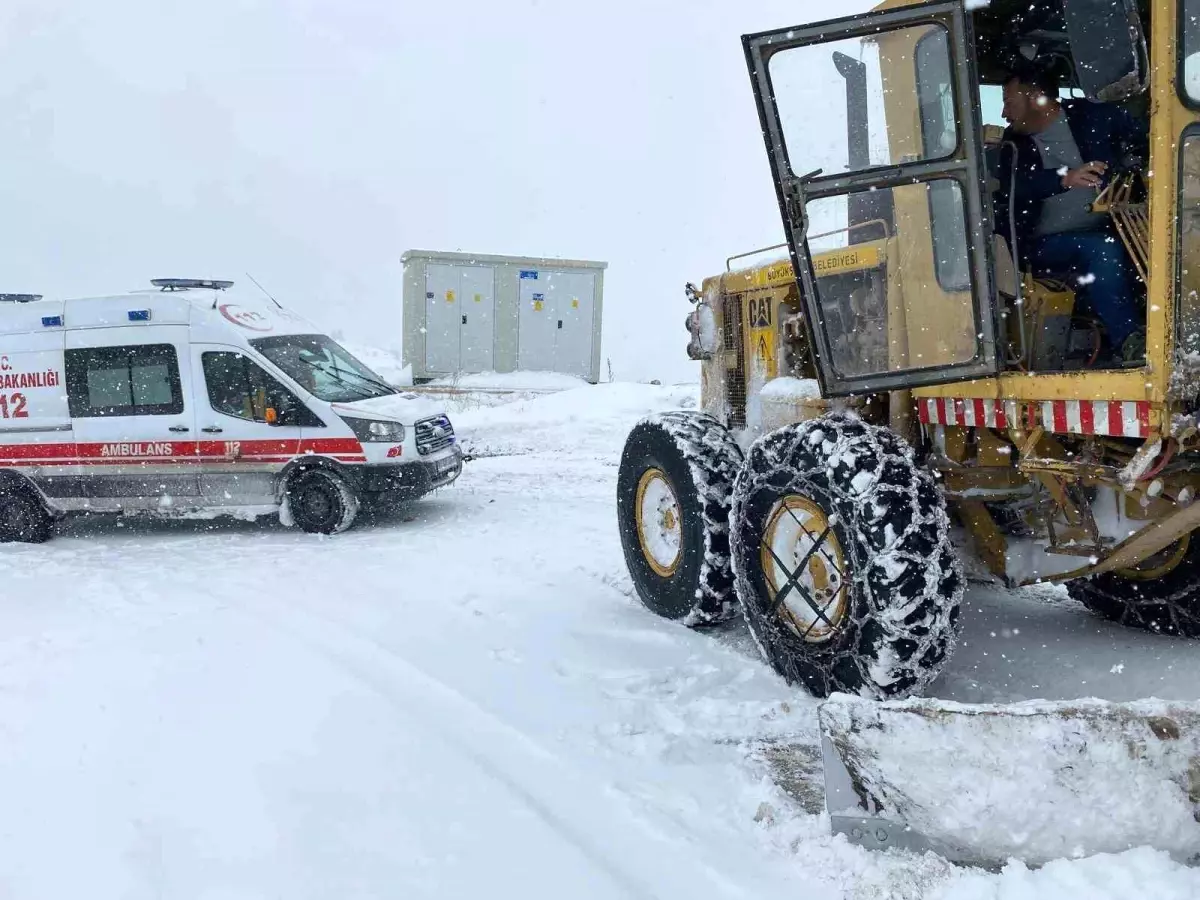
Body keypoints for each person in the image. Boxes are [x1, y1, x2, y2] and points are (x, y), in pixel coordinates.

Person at [995, 65, 1148, 361]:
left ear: (1037, 97)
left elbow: (1144, 138)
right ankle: (1129, 341)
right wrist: (1063, 177)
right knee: (1102, 250)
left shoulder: (1094, 116)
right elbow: (1016, 186)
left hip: (1113, 224)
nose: (1004, 113)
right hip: (1040, 247)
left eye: (1009, 102)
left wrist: (1130, 165)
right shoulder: (1012, 145)